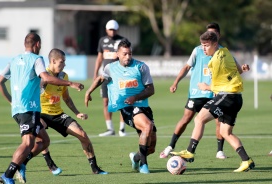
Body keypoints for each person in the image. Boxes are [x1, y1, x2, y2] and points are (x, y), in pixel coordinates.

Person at [0, 33, 84, 184]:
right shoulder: (37, 59)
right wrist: (70, 84)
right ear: (37, 44)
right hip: (28, 108)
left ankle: (21, 164)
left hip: (19, 108)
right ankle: (7, 175)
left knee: (44, 140)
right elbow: (47, 77)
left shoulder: (14, 60)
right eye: (40, 45)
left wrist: (12, 101)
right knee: (28, 143)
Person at [17, 48, 108, 180]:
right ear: (53, 61)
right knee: (41, 137)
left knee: (82, 135)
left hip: (58, 114)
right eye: (62, 61)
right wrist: (69, 84)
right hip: (40, 113)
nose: (64, 64)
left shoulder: (64, 76)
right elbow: (44, 82)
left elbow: (66, 98)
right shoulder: (42, 74)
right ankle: (38, 164)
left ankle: (95, 168)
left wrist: (77, 113)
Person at [172, 31, 254, 172]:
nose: (204, 49)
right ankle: (246, 160)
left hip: (226, 96)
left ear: (215, 44)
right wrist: (242, 69)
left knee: (199, 119)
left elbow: (217, 86)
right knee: (225, 132)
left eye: (206, 45)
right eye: (202, 45)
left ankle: (190, 151)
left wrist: (206, 87)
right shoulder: (225, 52)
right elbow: (234, 71)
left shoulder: (215, 61)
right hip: (236, 97)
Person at [85, 39, 157, 174]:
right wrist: (89, 91)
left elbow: (151, 90)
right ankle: (144, 164)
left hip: (143, 107)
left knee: (151, 147)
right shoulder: (110, 68)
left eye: (130, 54)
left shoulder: (141, 67)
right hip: (127, 107)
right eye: (124, 54)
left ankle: (136, 158)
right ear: (117, 54)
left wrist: (136, 97)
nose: (128, 57)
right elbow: (101, 78)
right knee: (147, 126)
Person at [160, 23, 227, 159]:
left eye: (212, 35)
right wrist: (175, 82)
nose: (209, 37)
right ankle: (170, 146)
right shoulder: (197, 50)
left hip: (213, 93)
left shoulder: (222, 53)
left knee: (219, 120)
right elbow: (186, 67)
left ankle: (219, 150)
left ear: (218, 36)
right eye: (207, 34)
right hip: (196, 93)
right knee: (186, 119)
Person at [93, 19, 127, 137]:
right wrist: (95, 73)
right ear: (106, 29)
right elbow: (99, 58)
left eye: (114, 29)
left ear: (117, 29)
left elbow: (126, 57)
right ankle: (110, 129)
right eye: (110, 29)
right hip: (105, 76)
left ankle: (122, 129)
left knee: (121, 101)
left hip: (119, 76)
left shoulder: (122, 41)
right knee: (106, 101)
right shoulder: (102, 41)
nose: (112, 31)